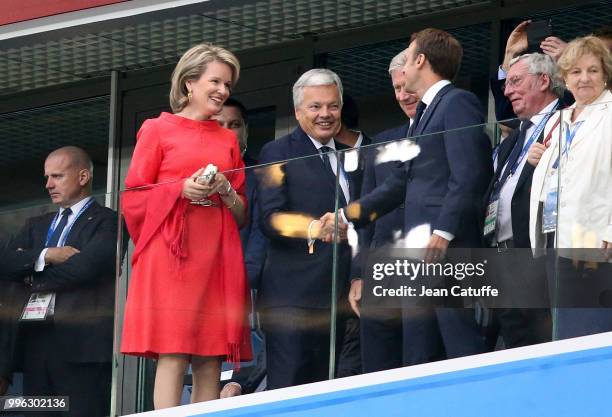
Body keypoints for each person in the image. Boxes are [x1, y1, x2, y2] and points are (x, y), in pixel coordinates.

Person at [339, 28, 492, 365]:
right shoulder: (425, 116)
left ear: (421, 60)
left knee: (458, 345)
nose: (404, 69)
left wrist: (443, 231)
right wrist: (345, 216)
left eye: (407, 60)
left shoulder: (457, 102)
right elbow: (400, 184)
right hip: (420, 255)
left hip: (445, 249)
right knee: (418, 354)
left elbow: (469, 174)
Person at [120, 43, 252, 409]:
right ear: (189, 83)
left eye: (228, 84)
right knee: (174, 351)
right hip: (172, 253)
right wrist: (179, 189)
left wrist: (225, 189)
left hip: (216, 252)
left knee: (211, 356)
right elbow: (133, 197)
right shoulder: (157, 129)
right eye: (215, 81)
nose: (223, 91)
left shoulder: (228, 139)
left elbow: (242, 214)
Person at [1, 146, 117, 417]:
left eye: (57, 176)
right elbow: (5, 265)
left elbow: (86, 269)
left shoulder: (107, 221)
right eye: (46, 177)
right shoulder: (35, 224)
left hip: (81, 348)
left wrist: (30, 273)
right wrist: (47, 255)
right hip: (35, 343)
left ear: (83, 176)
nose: (48, 185)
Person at [256, 68, 352, 389]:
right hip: (292, 300)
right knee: (289, 391)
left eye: (333, 105)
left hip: (340, 299)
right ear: (298, 111)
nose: (325, 114)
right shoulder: (275, 153)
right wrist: (313, 228)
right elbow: (270, 217)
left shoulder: (355, 156)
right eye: (315, 106)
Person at [349, 50, 441, 373]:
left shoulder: (444, 132)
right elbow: (365, 218)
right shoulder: (381, 144)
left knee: (423, 362)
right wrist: (358, 274)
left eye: (408, 87)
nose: (404, 96)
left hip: (429, 267)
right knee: (378, 366)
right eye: (397, 89)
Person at [528, 36, 612, 339]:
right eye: (576, 72)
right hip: (556, 236)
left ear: (605, 74)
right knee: (565, 335)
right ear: (564, 78)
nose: (585, 78)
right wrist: (541, 159)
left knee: (589, 331)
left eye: (593, 70)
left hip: (595, 240)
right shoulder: (561, 119)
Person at [483, 53, 565, 348]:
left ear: (544, 81)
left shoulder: (568, 121)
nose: (507, 91)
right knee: (519, 349)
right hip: (504, 261)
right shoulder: (514, 139)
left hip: (540, 257)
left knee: (548, 346)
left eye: (516, 82)